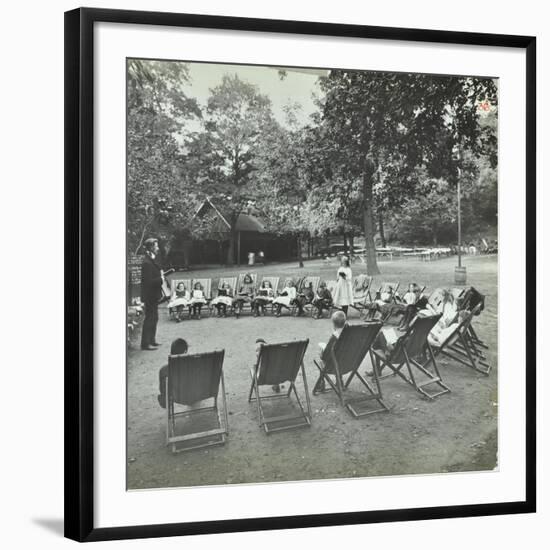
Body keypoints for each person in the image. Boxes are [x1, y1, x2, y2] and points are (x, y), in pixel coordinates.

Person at [140, 238, 164, 351]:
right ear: (150, 248)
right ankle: (145, 344)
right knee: (150, 318)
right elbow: (149, 282)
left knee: (154, 318)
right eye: (156, 246)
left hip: (153, 295)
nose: (158, 248)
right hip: (149, 295)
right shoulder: (147, 263)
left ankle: (152, 340)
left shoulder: (151, 260)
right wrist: (161, 279)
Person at [316, 311, 347, 391]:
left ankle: (321, 384)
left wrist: (322, 351)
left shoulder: (335, 337)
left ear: (334, 324)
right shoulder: (349, 334)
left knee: (322, 360)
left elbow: (326, 354)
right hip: (348, 363)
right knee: (340, 356)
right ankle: (340, 381)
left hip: (333, 366)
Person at [157, 338, 188, 408]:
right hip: (194, 395)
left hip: (176, 397)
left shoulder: (164, 370)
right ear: (185, 352)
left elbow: (163, 390)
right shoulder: (193, 366)